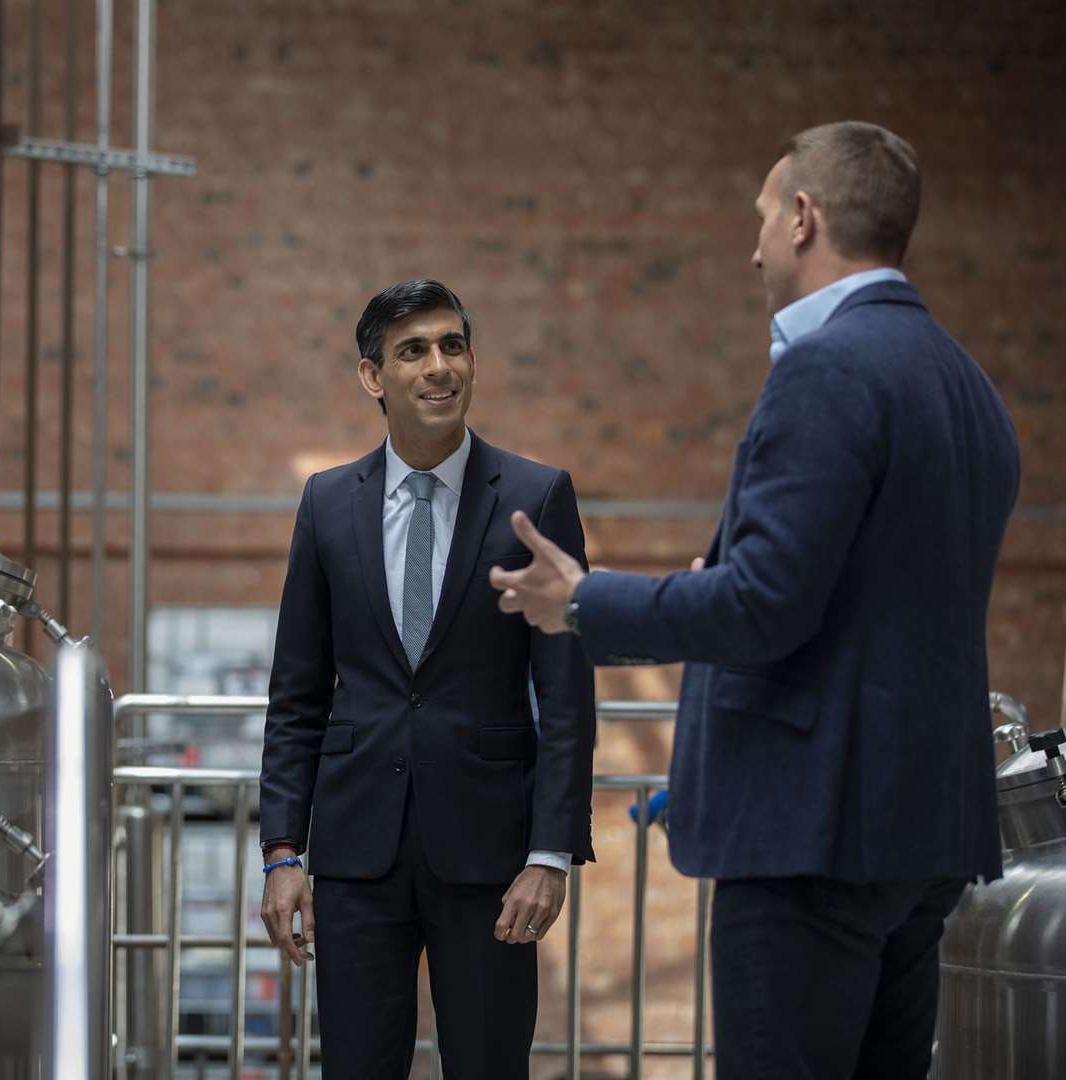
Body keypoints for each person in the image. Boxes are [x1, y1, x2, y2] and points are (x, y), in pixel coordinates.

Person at [491, 121, 1020, 1079]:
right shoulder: (966, 383)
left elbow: (766, 606)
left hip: (813, 838)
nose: (756, 243)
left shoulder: (827, 369)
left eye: (766, 217)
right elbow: (860, 599)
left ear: (807, 218)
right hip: (921, 829)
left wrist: (582, 601)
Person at [259, 279, 597, 1078]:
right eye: (413, 351)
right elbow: (297, 695)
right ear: (375, 377)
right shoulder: (327, 502)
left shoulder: (535, 495)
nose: (439, 366)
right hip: (357, 852)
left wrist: (551, 852)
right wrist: (281, 851)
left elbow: (567, 695)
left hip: (491, 857)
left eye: (453, 345)